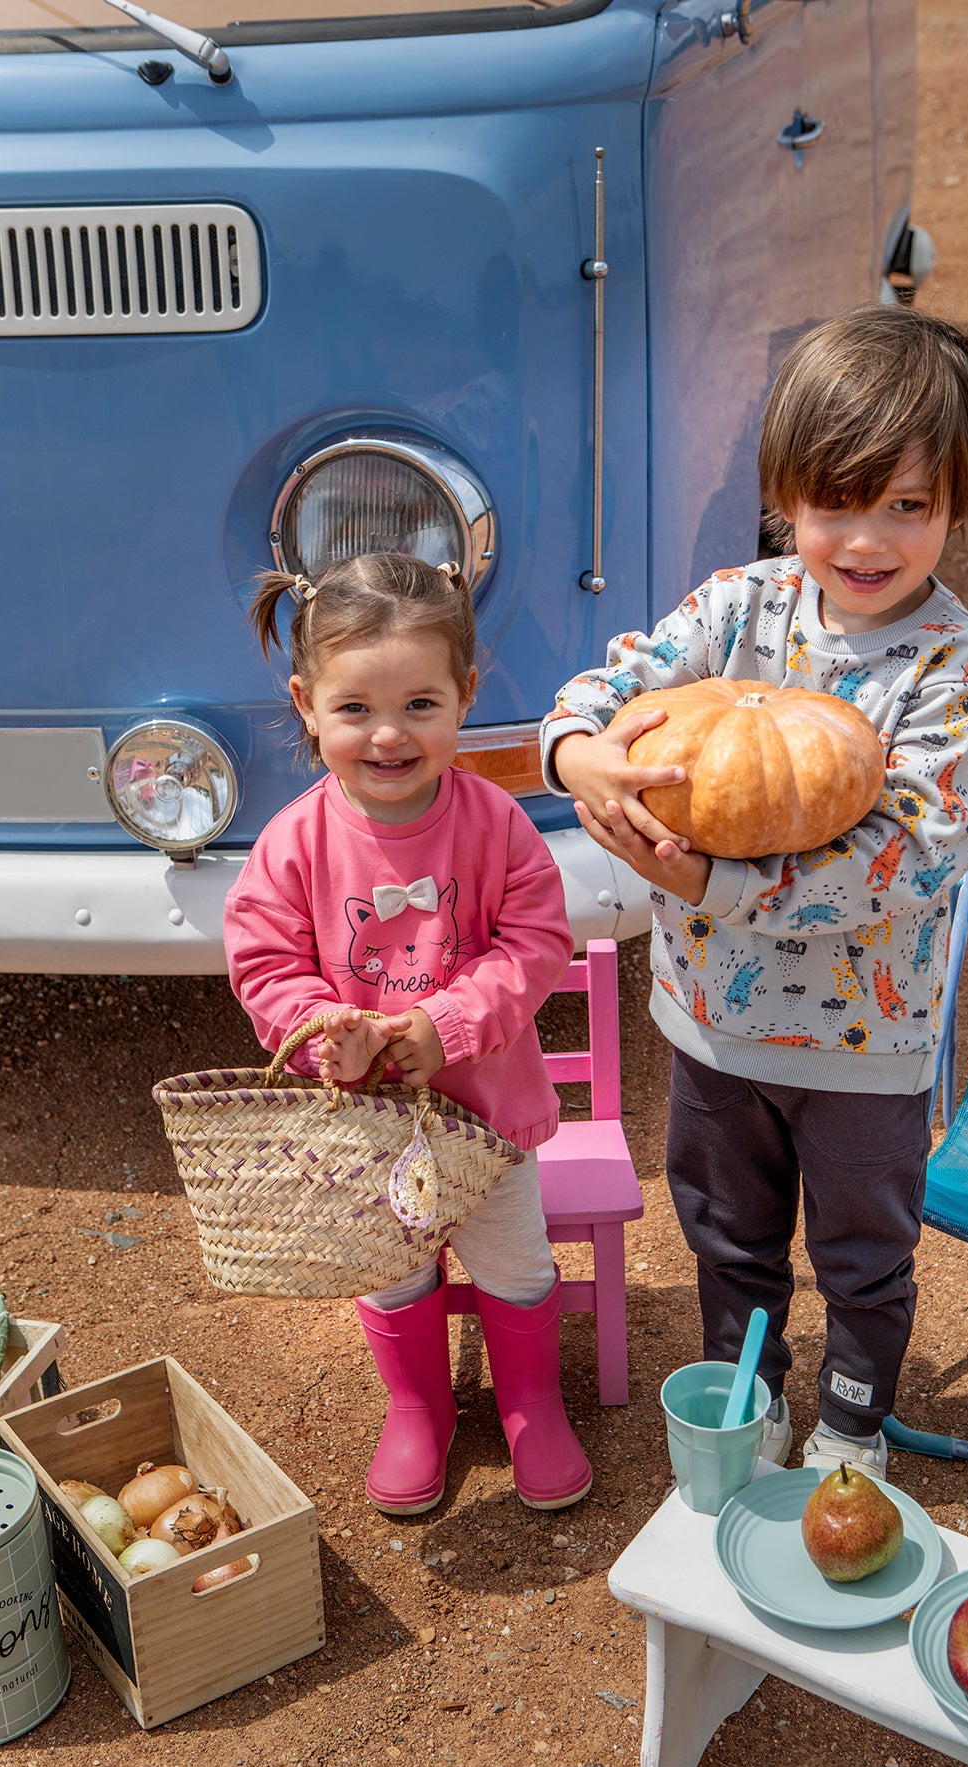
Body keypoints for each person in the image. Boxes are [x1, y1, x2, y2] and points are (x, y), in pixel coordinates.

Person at [541, 304, 968, 1479]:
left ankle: (852, 1428)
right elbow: (612, 685)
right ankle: (743, 1406)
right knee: (725, 1235)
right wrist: (577, 751)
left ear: (956, 500)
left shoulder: (956, 671)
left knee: (861, 1251)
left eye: (905, 505)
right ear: (784, 495)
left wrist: (709, 879)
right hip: (711, 1024)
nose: (865, 538)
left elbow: (902, 854)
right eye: (833, 502)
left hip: (866, 1045)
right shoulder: (734, 608)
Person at [224, 552, 591, 1515]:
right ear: (307, 704)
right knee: (395, 1273)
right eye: (354, 710)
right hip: (369, 1131)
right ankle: (419, 1405)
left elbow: (536, 943)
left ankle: (528, 1404)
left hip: (490, 1117)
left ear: (466, 694)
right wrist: (317, 1033)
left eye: (420, 704)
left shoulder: (498, 823)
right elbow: (264, 963)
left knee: (515, 1265)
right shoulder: (293, 842)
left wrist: (448, 1023)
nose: (388, 735)